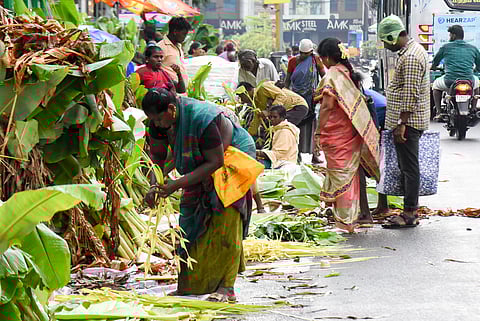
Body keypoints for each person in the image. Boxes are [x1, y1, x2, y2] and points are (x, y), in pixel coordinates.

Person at [142, 88, 257, 302]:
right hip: (204, 159)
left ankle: (226, 287)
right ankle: (189, 286)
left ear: (171, 109)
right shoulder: (158, 125)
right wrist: (153, 186)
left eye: (159, 119)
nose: (157, 124)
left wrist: (176, 184)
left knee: (224, 217)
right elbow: (157, 160)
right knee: (191, 220)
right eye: (153, 120)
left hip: (231, 154)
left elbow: (215, 161)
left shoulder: (201, 118)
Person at [314, 38, 380, 233]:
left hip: (336, 134)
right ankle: (358, 216)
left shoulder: (332, 76)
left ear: (325, 58)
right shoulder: (347, 73)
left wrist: (318, 131)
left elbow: (327, 106)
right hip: (350, 132)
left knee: (342, 175)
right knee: (350, 174)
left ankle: (345, 220)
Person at [378, 14, 430, 228]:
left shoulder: (410, 57)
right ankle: (409, 210)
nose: (384, 45)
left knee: (409, 168)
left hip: (408, 122)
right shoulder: (412, 51)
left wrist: (401, 124)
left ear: (392, 37)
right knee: (407, 166)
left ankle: (409, 213)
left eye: (384, 40)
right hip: (407, 120)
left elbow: (410, 94)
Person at [285, 39, 326, 162]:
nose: (303, 56)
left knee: (312, 126)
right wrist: (285, 93)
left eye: (306, 54)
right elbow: (288, 79)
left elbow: (324, 76)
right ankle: (295, 154)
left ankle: (314, 154)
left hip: (311, 98)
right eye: (301, 53)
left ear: (311, 52)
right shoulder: (292, 61)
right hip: (296, 98)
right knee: (295, 125)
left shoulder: (315, 60)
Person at [431, 24, 480, 120]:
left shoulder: (445, 47)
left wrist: (433, 67)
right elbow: (479, 65)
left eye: (449, 35)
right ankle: (474, 108)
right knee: (477, 84)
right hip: (469, 80)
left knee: (435, 86)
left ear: (453, 35)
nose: (449, 37)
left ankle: (439, 112)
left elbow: (435, 61)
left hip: (450, 81)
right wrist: (476, 69)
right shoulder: (473, 48)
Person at [237, 81, 308, 136]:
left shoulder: (263, 87)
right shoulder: (256, 101)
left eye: (241, 96)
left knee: (281, 129)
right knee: (276, 130)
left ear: (247, 92)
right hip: (289, 109)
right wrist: (248, 135)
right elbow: (257, 119)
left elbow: (281, 96)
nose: (241, 100)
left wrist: (269, 111)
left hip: (297, 106)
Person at [158, 17, 192, 84]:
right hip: (168, 90)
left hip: (181, 90)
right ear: (175, 32)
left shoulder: (179, 46)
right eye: (184, 34)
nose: (185, 37)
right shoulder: (160, 47)